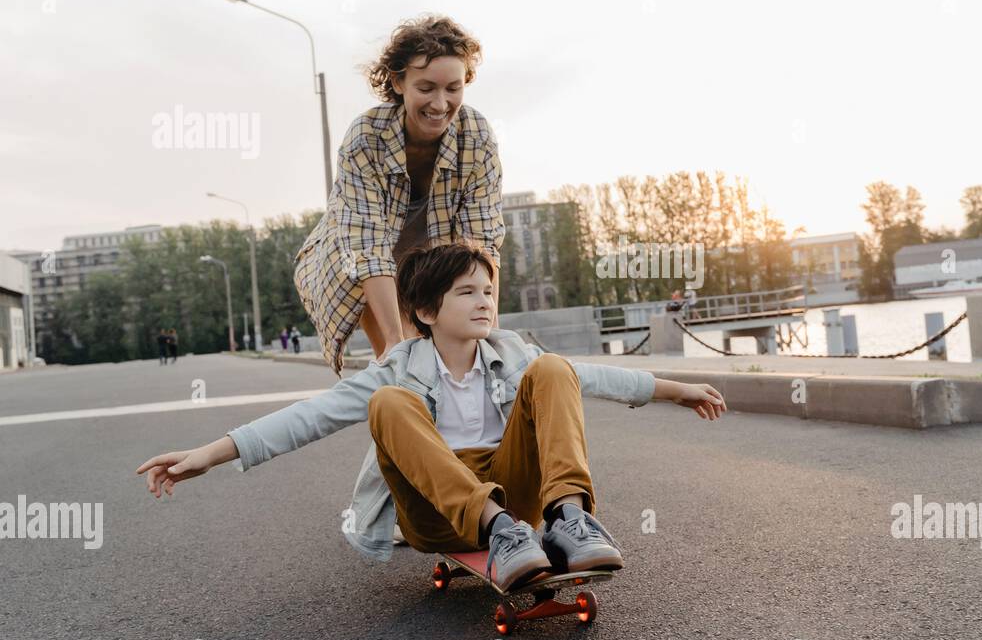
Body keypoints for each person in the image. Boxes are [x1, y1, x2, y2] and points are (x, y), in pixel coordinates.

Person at [137, 243, 727, 591]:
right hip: (435, 511)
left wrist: (676, 388)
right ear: (426, 309)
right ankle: (497, 531)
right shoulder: (397, 369)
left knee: (554, 370)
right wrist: (206, 457)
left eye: (488, 291)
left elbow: (594, 378)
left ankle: (569, 520)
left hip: (513, 491)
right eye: (467, 292)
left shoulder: (514, 353)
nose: (485, 302)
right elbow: (305, 418)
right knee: (388, 405)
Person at [292, 14, 505, 377]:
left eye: (453, 88)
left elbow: (482, 243)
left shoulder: (477, 135)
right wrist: (394, 343)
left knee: (460, 360)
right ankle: (399, 418)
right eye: (426, 88)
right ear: (398, 81)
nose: (440, 104)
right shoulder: (366, 138)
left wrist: (488, 334)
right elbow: (369, 251)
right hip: (359, 264)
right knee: (404, 365)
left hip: (430, 259)